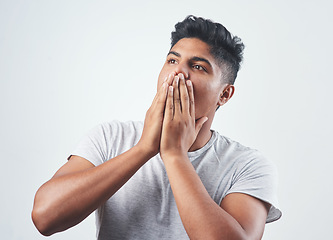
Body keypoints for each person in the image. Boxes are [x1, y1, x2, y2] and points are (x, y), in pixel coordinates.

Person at [32, 15, 281, 239]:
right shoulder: (110, 137)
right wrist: (143, 149)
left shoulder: (247, 165)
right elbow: (44, 217)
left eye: (197, 67)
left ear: (225, 94)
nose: (177, 74)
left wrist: (174, 155)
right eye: (172, 60)